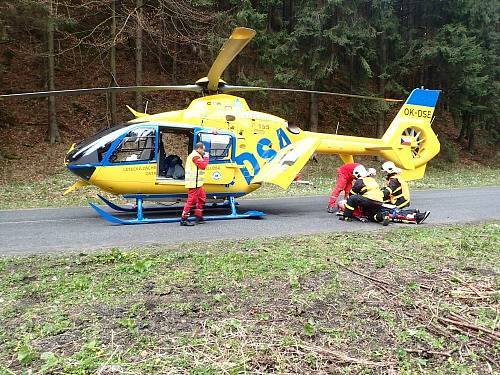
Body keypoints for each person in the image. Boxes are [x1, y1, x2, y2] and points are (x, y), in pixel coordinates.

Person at [180, 142, 209, 226]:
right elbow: (203, 166)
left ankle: (198, 216)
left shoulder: (197, 155)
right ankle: (183, 219)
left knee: (202, 198)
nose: (204, 151)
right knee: (191, 201)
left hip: (198, 184)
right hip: (194, 184)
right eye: (203, 149)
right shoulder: (195, 156)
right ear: (198, 149)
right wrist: (206, 157)